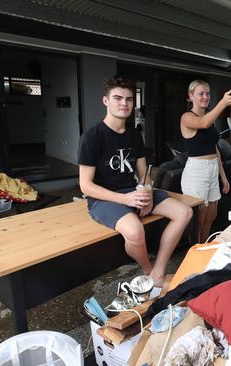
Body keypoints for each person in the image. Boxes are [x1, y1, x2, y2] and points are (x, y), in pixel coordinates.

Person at [78, 76, 192, 287]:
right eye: (118, 98)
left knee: (184, 212)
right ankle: (149, 271)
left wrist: (146, 190)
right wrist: (125, 199)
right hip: (103, 198)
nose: (124, 103)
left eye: (129, 99)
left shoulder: (134, 135)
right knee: (135, 232)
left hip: (133, 192)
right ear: (106, 101)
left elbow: (144, 174)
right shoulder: (92, 137)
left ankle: (159, 271)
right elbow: (85, 186)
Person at [180, 80, 231, 243]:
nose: (205, 97)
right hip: (196, 171)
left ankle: (204, 246)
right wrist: (223, 103)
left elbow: (214, 149)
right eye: (201, 93)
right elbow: (202, 123)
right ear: (190, 96)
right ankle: (194, 249)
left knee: (211, 216)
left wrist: (223, 176)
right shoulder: (187, 117)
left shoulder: (211, 119)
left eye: (207, 93)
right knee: (198, 219)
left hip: (212, 169)